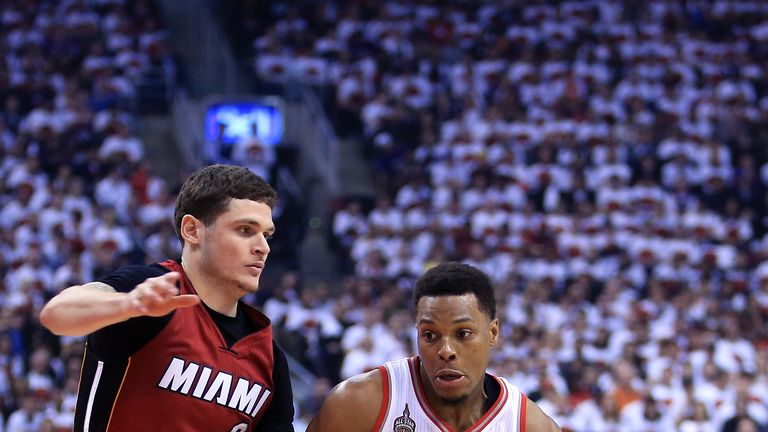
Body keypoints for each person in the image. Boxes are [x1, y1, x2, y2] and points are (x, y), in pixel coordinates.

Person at [39, 164, 295, 431]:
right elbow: (57, 314)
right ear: (192, 230)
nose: (263, 247)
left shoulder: (270, 360)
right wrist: (127, 306)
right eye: (245, 230)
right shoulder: (147, 292)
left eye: (266, 235)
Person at [307, 262, 561, 431]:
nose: (446, 350)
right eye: (430, 335)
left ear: (493, 333)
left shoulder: (529, 425)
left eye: (462, 333)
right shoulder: (358, 403)